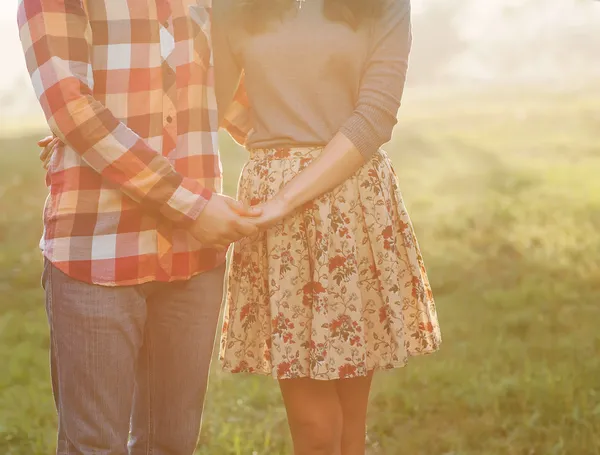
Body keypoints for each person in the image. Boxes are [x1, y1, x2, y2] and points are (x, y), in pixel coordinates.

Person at [17, 0, 258, 453]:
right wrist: (191, 206)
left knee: (171, 444)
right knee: (95, 446)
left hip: (193, 258)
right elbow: (72, 110)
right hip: (96, 248)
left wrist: (341, 139)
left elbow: (244, 105)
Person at [213, 0, 442, 454]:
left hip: (353, 205)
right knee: (314, 424)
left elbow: (375, 115)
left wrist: (286, 195)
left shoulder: (382, 5)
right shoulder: (233, 7)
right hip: (277, 223)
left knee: (349, 424)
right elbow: (202, 109)